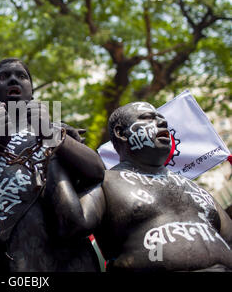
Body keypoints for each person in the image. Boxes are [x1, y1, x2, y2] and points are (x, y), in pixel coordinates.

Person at [0, 58, 105, 272]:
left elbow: (97, 172)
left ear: (31, 92)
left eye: (21, 76)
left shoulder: (59, 130)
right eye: (3, 76)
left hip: (58, 257)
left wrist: (50, 133)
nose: (13, 79)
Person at [70, 101, 232, 271]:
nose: (162, 123)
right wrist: (59, 144)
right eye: (148, 118)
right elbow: (74, 223)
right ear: (121, 133)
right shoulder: (104, 182)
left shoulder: (196, 189)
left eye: (163, 120)